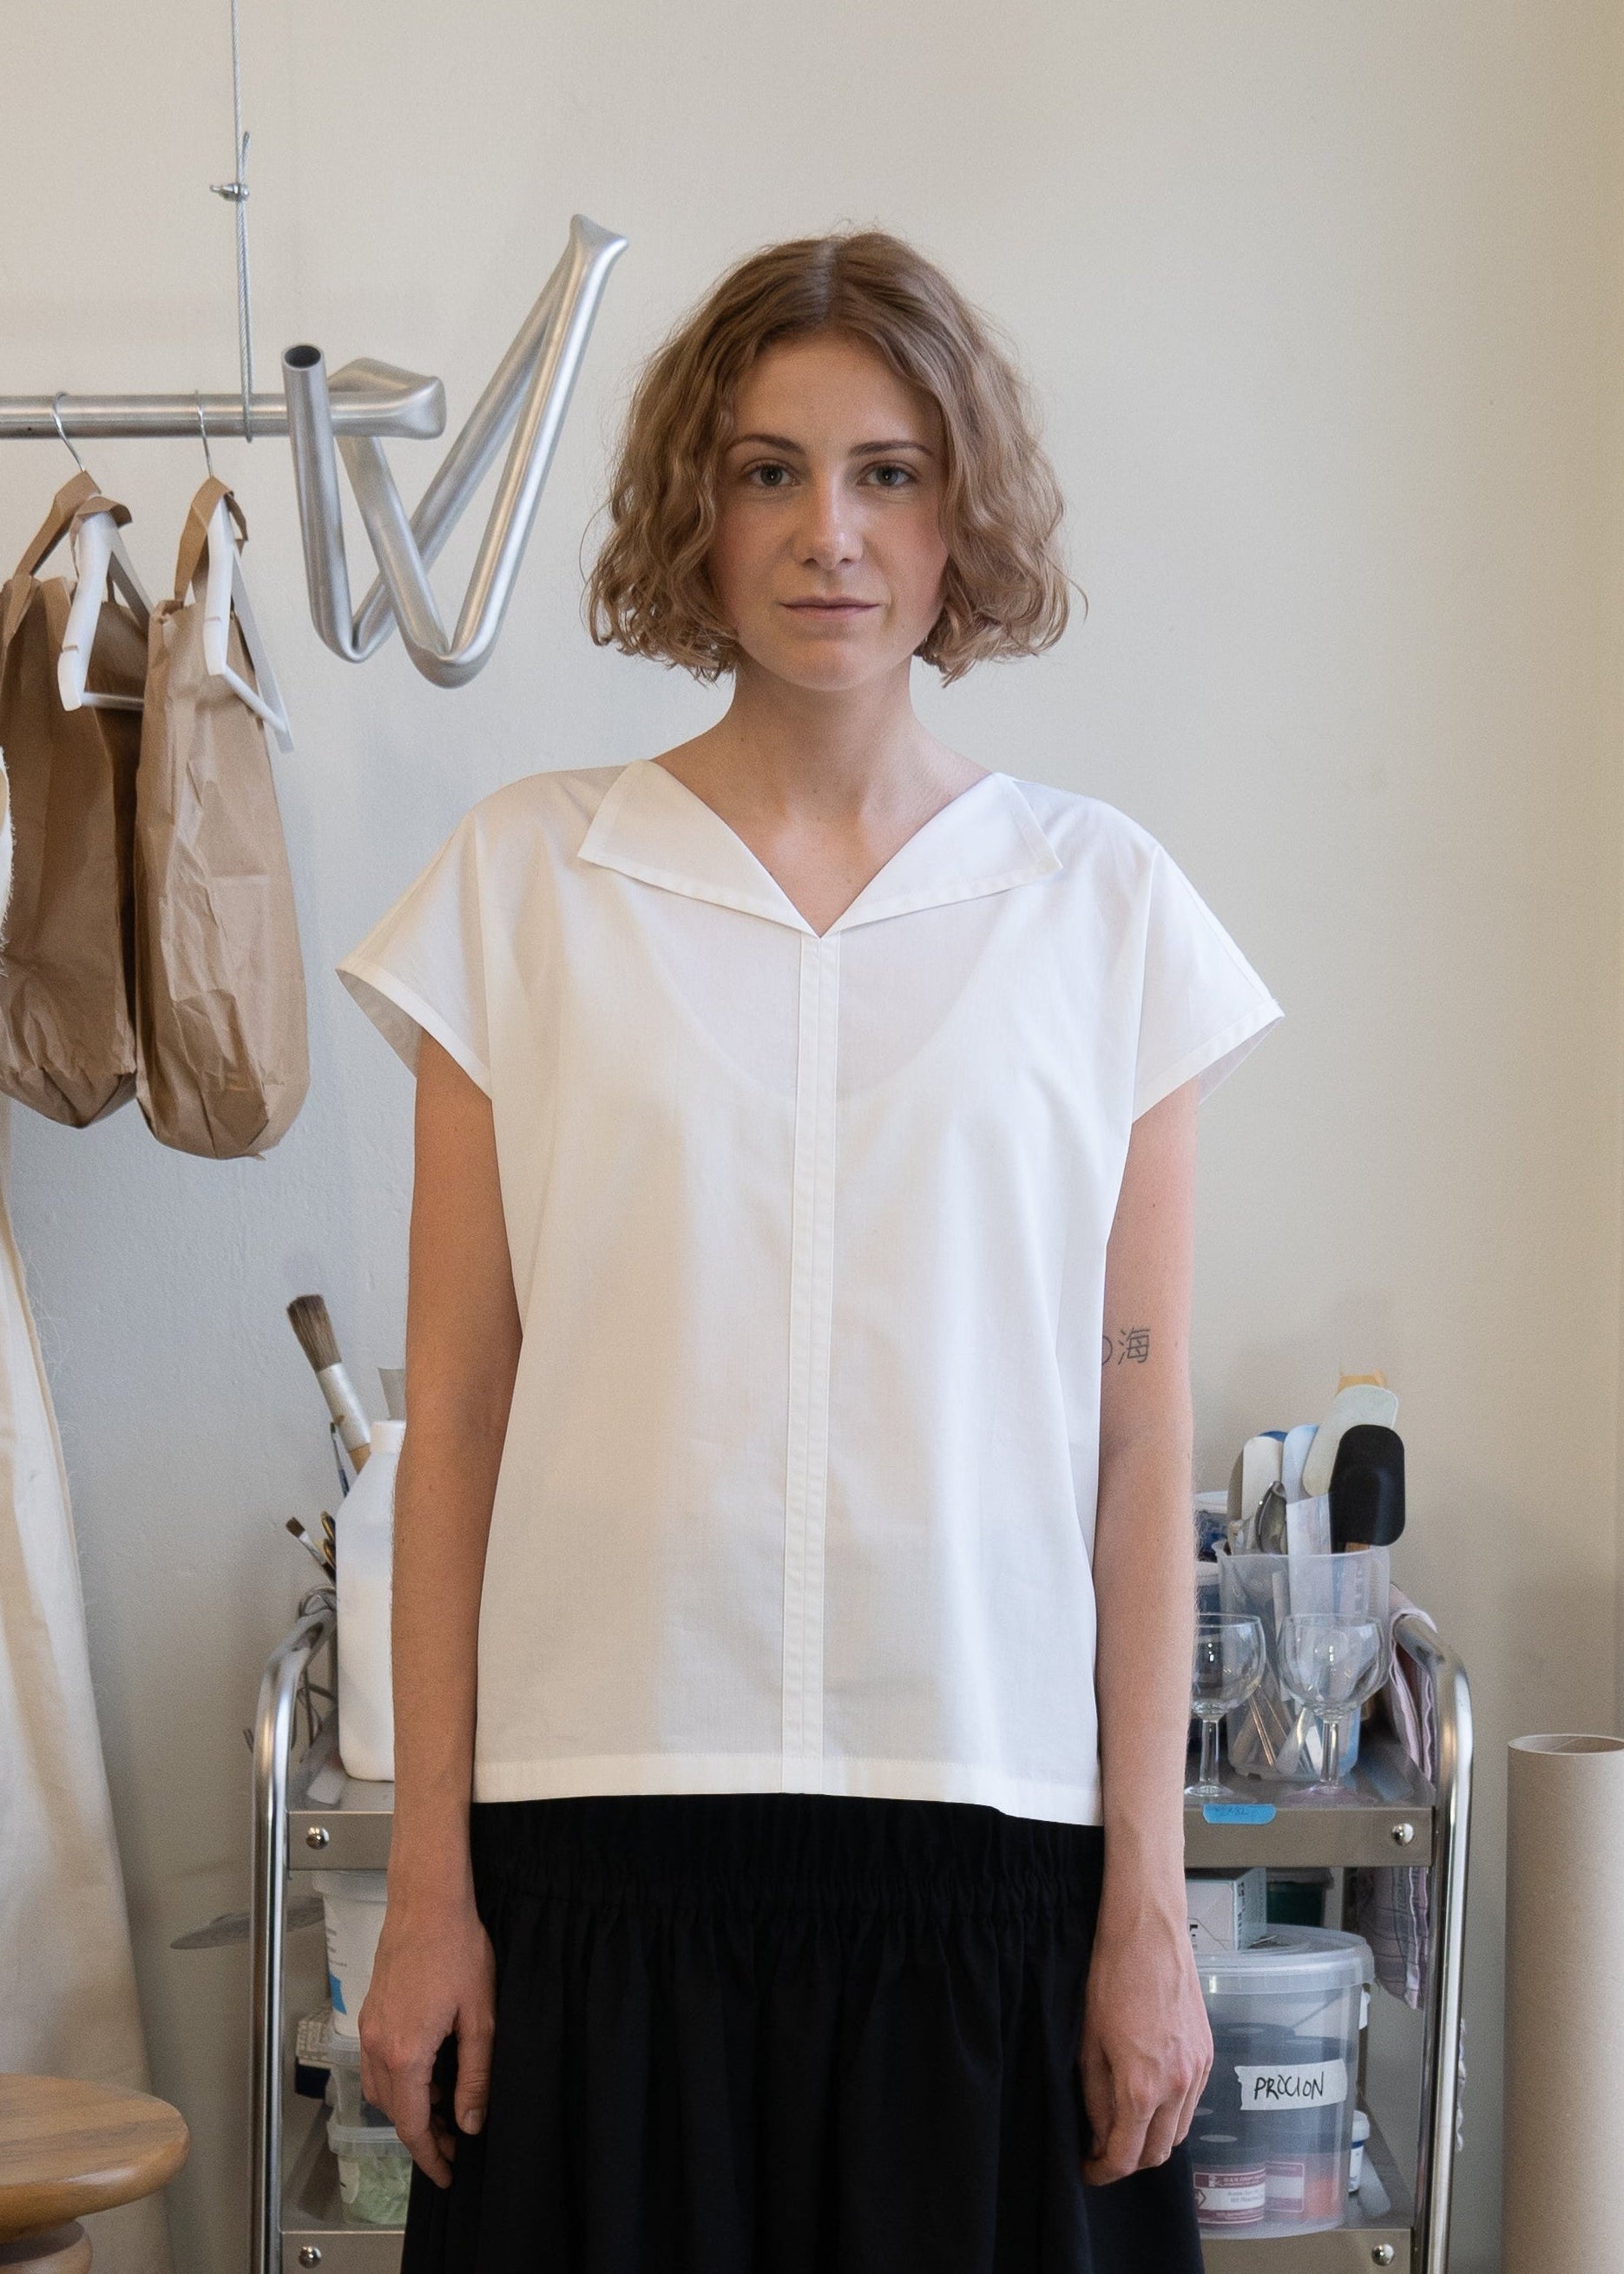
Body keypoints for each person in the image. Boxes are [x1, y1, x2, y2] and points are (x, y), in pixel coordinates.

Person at [339, 228, 1281, 2274]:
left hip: (992, 1853)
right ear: (696, 506)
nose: (829, 533)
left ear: (968, 514)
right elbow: (459, 1415)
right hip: (598, 1850)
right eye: (769, 470)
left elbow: (1140, 1449)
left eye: (889, 471)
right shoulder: (527, 883)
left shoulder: (1102, 908)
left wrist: (1149, 1906)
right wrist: (430, 1884)